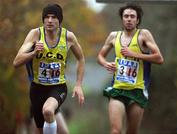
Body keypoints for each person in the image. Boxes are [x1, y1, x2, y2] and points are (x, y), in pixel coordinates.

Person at [13, 3, 85, 134]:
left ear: (60, 20)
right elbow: (16, 62)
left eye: (54, 17)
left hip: (58, 87)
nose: (50, 20)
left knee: (48, 110)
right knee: (40, 130)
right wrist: (33, 53)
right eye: (46, 17)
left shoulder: (68, 37)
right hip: (37, 89)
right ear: (43, 20)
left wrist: (78, 84)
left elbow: (81, 58)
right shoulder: (35, 34)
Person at [97, 3, 164, 134]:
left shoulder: (143, 35)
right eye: (126, 16)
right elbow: (100, 56)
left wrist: (135, 55)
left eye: (132, 16)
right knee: (115, 131)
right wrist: (106, 63)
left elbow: (159, 58)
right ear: (122, 19)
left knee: (132, 132)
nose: (129, 19)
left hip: (137, 91)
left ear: (137, 20)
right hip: (118, 89)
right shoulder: (113, 36)